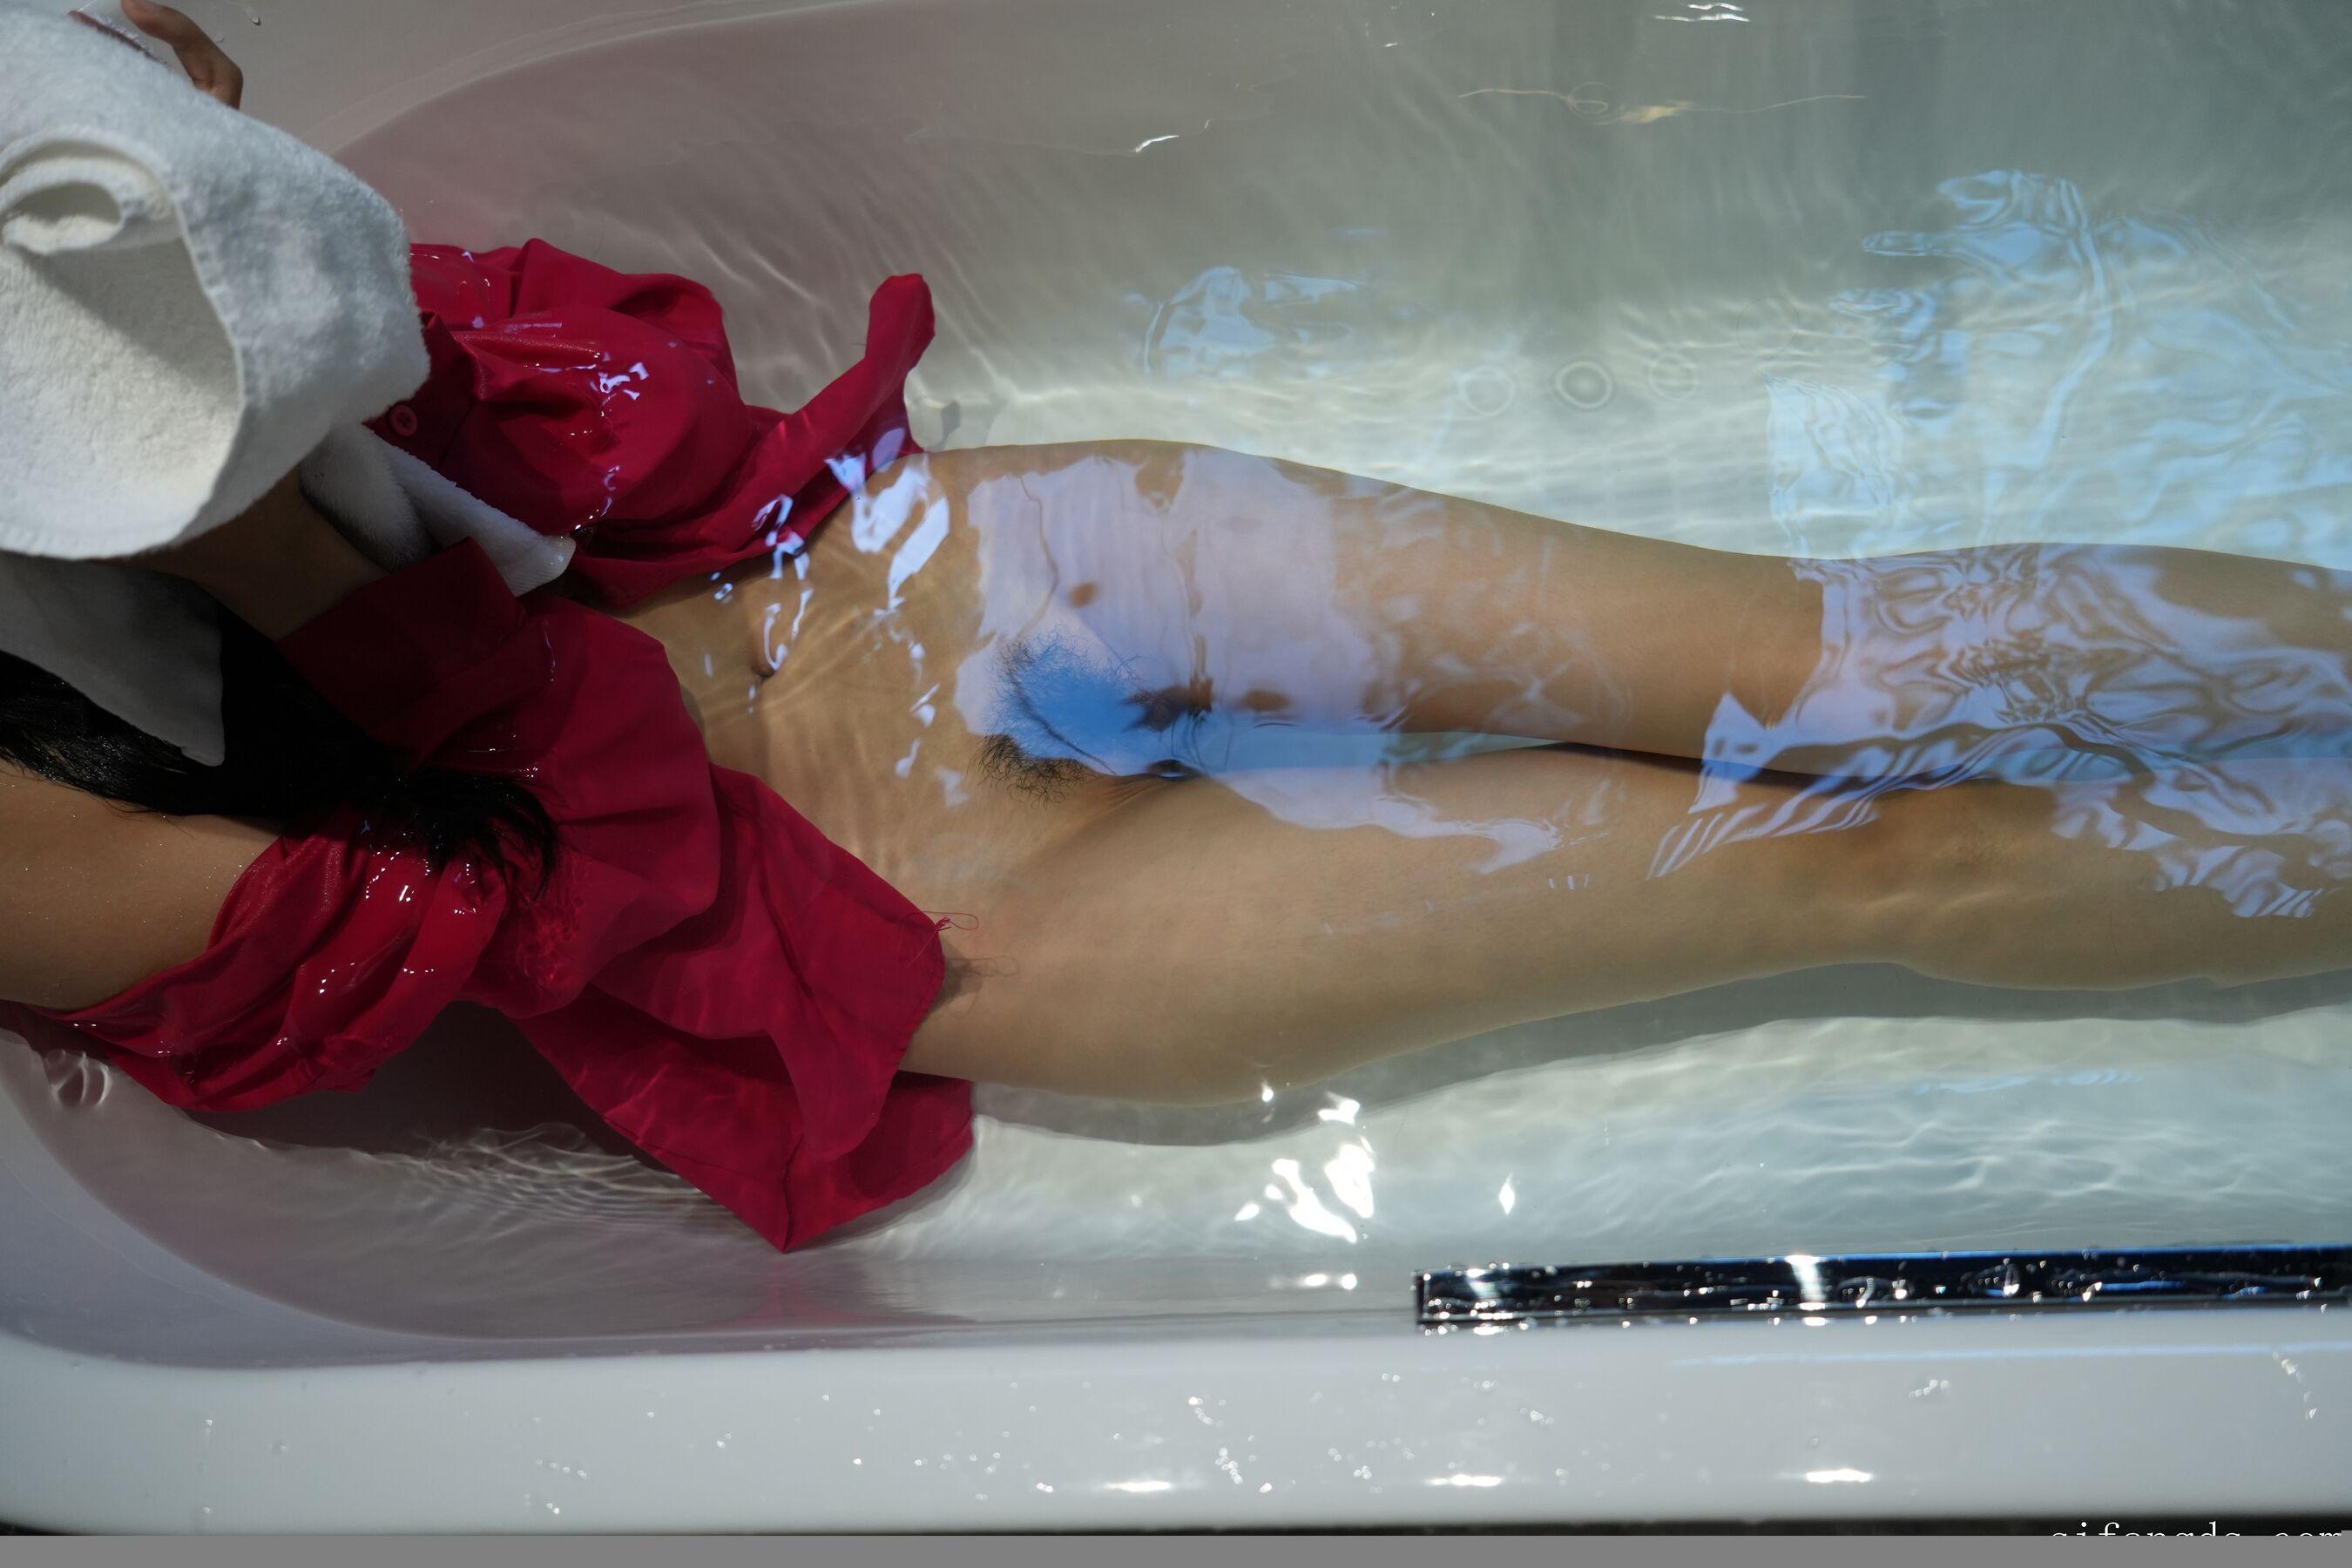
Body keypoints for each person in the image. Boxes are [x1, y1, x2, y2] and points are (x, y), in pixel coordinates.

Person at [7, 3, 2350, 1246]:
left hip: (913, 568)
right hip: (888, 904)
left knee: (1832, 663)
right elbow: (484, 908)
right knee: (1855, 858)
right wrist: (246, 546)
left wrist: (152, 128)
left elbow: (260, 199)